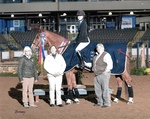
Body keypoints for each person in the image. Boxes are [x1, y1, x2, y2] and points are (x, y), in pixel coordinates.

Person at [92, 43, 113, 108]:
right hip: (96, 74)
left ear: (102, 48)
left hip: (103, 74)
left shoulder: (106, 55)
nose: (97, 49)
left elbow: (110, 63)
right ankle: (100, 102)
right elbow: (94, 65)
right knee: (97, 89)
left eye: (98, 48)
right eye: (97, 48)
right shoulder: (95, 56)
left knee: (105, 88)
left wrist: (106, 71)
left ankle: (107, 103)